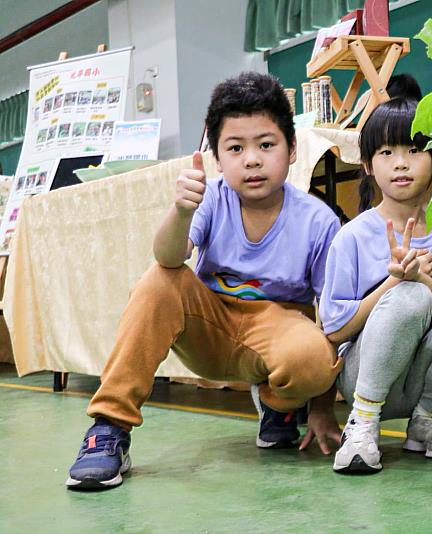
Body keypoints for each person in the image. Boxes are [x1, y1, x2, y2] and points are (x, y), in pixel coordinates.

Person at [66, 72, 343, 490]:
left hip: (277, 330)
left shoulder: (319, 220)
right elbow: (168, 257)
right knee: (160, 279)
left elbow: (333, 318)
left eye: (266, 145)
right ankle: (109, 429)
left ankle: (279, 407)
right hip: (210, 326)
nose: (252, 159)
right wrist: (181, 212)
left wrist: (322, 407)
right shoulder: (213, 197)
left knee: (313, 357)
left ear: (292, 150)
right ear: (216, 157)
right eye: (236, 148)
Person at [319, 98, 432, 474]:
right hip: (365, 379)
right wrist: (396, 282)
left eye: (414, 150)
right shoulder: (352, 237)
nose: (401, 163)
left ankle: (427, 422)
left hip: (422, 380)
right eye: (386, 151)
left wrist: (421, 277)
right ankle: (361, 424)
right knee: (409, 295)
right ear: (367, 165)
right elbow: (335, 329)